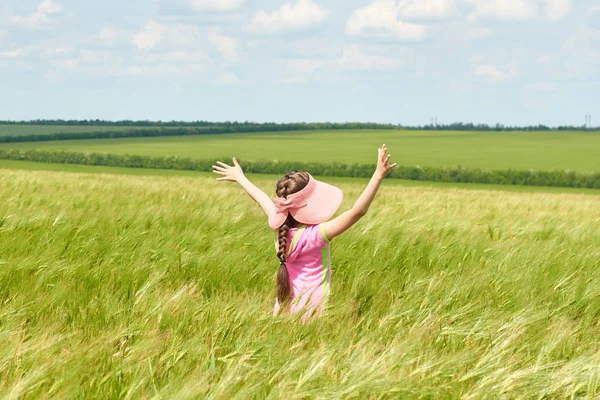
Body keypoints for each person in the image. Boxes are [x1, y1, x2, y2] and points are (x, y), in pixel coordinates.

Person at [212, 144, 397, 322]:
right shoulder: (316, 235)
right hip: (313, 312)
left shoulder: (279, 228)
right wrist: (378, 175)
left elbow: (261, 197)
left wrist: (240, 177)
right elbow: (357, 212)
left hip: (283, 308)